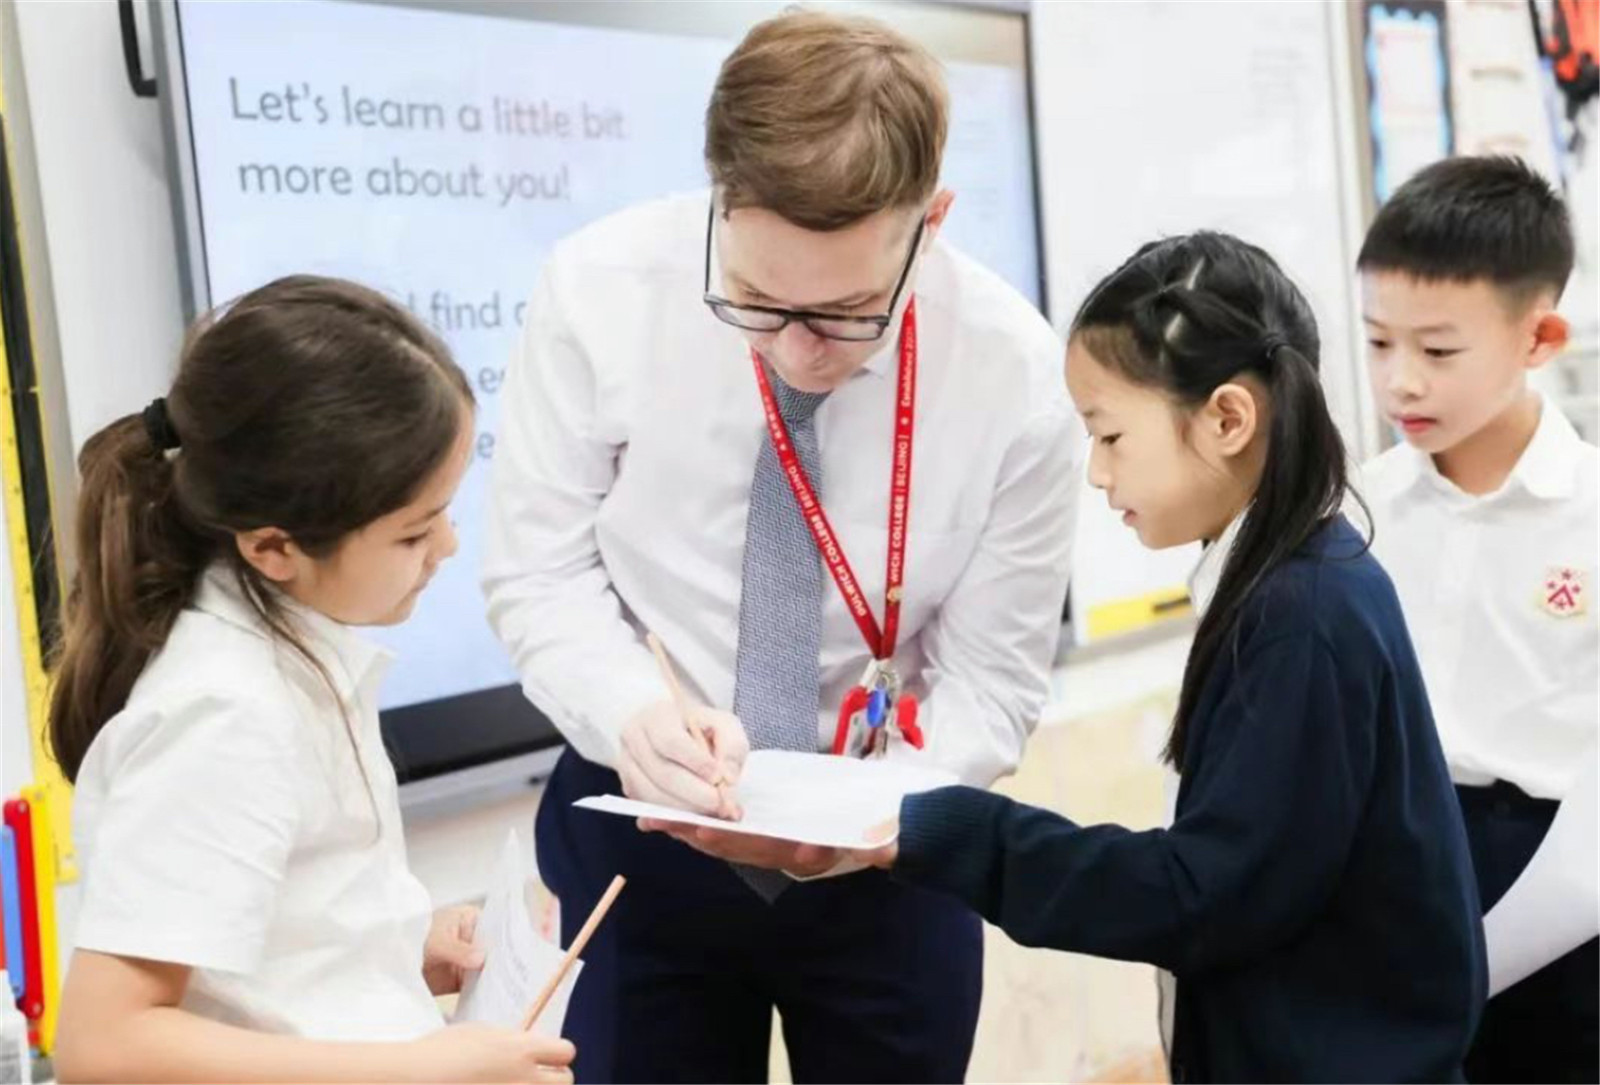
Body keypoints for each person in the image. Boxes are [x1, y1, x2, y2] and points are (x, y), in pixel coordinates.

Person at [481, 10, 1079, 1082]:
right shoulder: (598, 293)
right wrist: (631, 713)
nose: (798, 348)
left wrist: (866, 813)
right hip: (639, 834)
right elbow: (538, 571)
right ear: (719, 201)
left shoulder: (1010, 374)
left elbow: (992, 680)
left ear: (930, 221)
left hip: (890, 853)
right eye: (756, 300)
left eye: (849, 311)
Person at [855, 232, 1485, 1083]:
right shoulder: (1290, 580)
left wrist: (958, 834)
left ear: (1228, 417)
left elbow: (1202, 893)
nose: (1095, 473)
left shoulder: (1301, 615)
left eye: (1109, 435)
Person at [50, 276, 575, 1085]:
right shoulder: (226, 711)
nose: (446, 548)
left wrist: (393, 946)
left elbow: (260, 951)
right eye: (412, 532)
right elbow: (107, 1044)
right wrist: (420, 1070)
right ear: (273, 547)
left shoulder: (291, 654)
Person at [1356, 154, 1597, 1082]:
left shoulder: (1591, 513)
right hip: (1393, 876)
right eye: (1378, 343)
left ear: (1540, 337)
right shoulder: (1353, 513)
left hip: (1565, 905)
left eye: (1438, 350)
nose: (1401, 382)